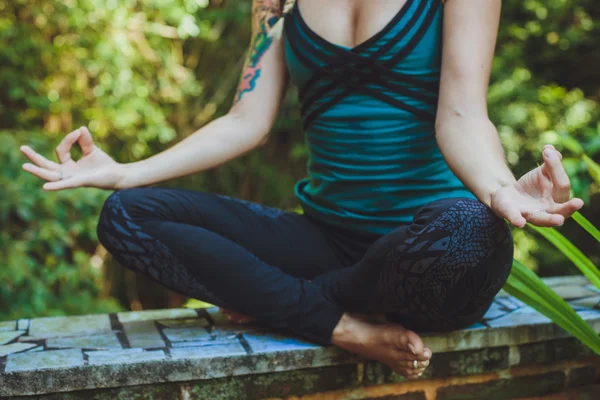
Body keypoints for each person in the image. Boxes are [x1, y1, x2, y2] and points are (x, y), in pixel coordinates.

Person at [20, 0, 584, 380]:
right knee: (126, 215)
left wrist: (500, 190)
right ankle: (339, 324)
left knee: (468, 228)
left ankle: (290, 299)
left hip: (426, 254)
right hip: (324, 240)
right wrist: (126, 172)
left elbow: (461, 115)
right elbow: (247, 120)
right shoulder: (277, 2)